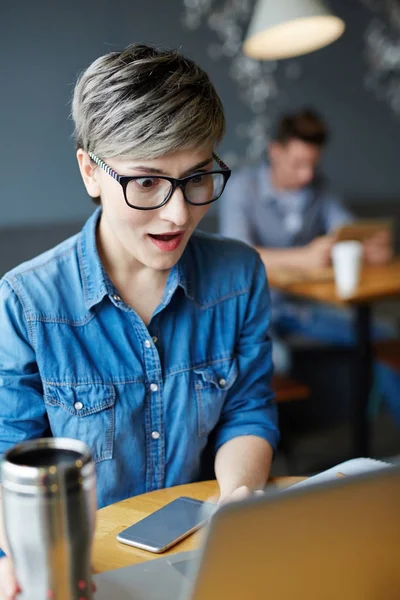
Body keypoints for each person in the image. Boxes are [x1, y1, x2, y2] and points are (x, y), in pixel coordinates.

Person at [0, 44, 279, 598]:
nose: (178, 214)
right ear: (91, 172)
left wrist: (238, 497)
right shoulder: (25, 302)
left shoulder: (239, 276)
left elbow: (248, 408)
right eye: (147, 182)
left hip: (202, 560)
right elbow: (10, 458)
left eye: (198, 177)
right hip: (83, 568)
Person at [219, 108, 400, 421]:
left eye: (312, 165)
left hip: (302, 307)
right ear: (275, 151)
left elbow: (348, 230)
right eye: (298, 164)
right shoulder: (242, 189)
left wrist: (373, 246)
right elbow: (239, 254)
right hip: (255, 309)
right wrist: (304, 257)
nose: (306, 174)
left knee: (383, 334)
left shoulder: (319, 191)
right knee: (274, 360)